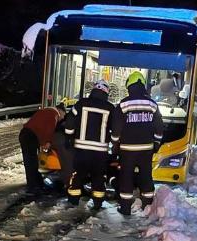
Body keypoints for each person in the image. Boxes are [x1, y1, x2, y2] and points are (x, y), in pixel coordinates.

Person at [111, 72, 164, 216]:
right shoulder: (152, 104)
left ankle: (125, 208)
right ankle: (147, 206)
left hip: (127, 150)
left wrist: (115, 147)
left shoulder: (123, 104)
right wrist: (157, 143)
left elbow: (116, 129)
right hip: (146, 149)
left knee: (126, 177)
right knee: (146, 176)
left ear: (129, 86)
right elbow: (159, 127)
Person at [64, 80, 115, 210]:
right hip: (100, 151)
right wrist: (113, 141)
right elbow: (115, 127)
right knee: (98, 177)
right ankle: (97, 203)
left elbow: (70, 120)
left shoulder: (81, 103)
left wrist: (69, 136)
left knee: (78, 175)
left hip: (81, 149)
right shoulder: (110, 108)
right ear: (106, 92)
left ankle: (73, 201)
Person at [19, 104, 66, 194]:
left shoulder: (46, 111)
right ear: (60, 111)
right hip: (29, 136)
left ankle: (36, 183)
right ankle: (32, 187)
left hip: (26, 135)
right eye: (63, 115)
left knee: (31, 161)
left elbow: (42, 127)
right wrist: (47, 142)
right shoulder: (54, 113)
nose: (62, 118)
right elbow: (50, 128)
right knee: (31, 162)